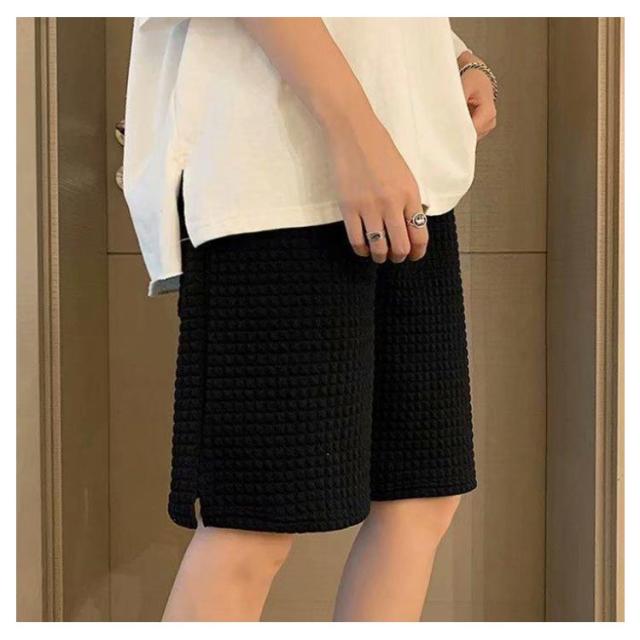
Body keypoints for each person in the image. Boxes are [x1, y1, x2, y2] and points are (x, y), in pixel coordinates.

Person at [123, 17, 497, 622]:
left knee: (420, 495)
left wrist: (450, 53)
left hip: (410, 165)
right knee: (252, 524)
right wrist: (356, 133)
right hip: (275, 173)